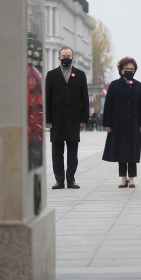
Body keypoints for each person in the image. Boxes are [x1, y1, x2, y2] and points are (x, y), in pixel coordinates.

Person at [45, 46, 89, 189]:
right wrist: (48, 119)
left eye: (68, 56)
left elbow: (85, 98)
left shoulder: (80, 75)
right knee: (57, 152)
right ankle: (59, 180)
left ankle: (71, 179)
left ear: (73, 58)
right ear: (59, 58)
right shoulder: (51, 75)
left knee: (72, 153)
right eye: (63, 56)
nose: (66, 58)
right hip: (56, 119)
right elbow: (47, 98)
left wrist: (83, 119)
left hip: (73, 119)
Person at [102, 57, 141, 188]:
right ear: (121, 70)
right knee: (121, 150)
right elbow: (109, 105)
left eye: (132, 69)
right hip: (119, 124)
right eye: (126, 69)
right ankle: (123, 178)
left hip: (133, 124)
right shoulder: (114, 85)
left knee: (132, 151)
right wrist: (108, 124)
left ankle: (132, 178)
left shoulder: (138, 85)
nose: (129, 71)